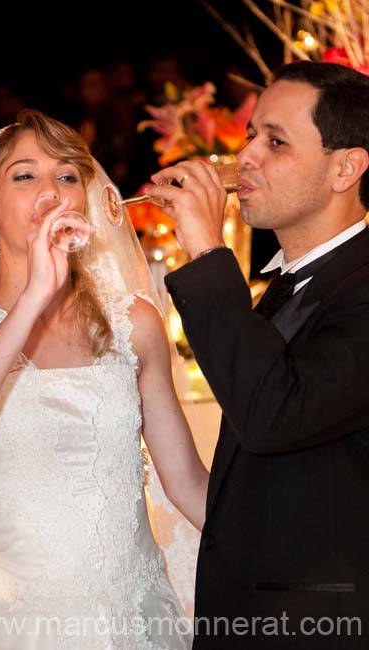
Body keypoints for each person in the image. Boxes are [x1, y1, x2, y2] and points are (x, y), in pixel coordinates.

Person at [0, 109, 209, 649]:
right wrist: (35, 294)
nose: (51, 191)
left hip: (134, 619)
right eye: (24, 175)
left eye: (66, 176)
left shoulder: (134, 321)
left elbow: (187, 482)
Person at [146, 61, 369, 649]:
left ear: (345, 167)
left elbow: (274, 412)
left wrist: (204, 250)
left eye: (276, 141)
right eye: (250, 136)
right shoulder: (285, 284)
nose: (246, 156)